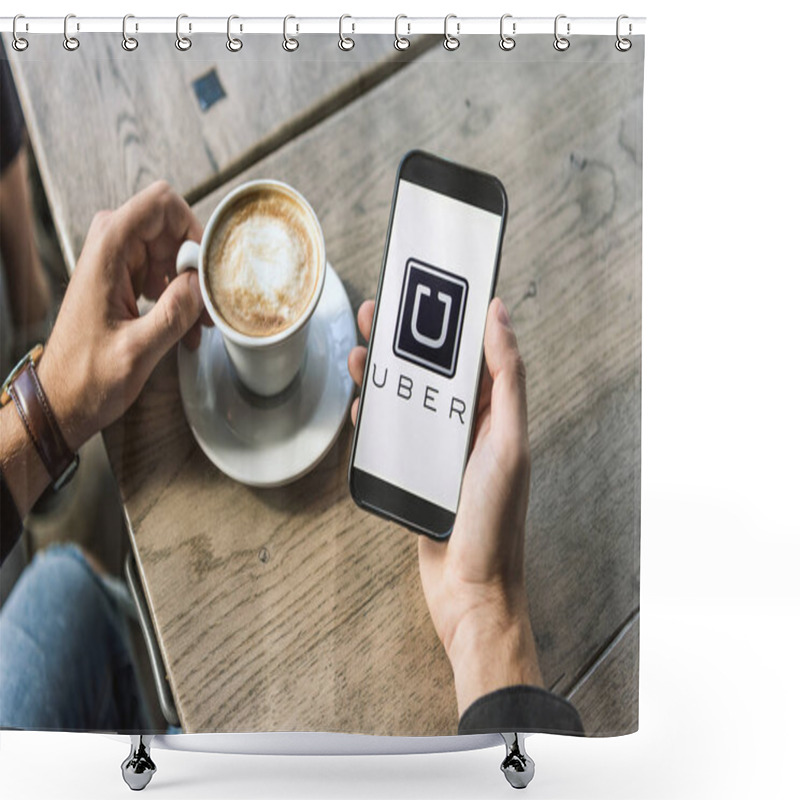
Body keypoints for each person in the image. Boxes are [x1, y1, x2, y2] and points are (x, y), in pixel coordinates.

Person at [0, 181, 582, 736]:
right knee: (63, 587)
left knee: (61, 582)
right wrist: (487, 608)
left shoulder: (321, 307)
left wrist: (49, 408)